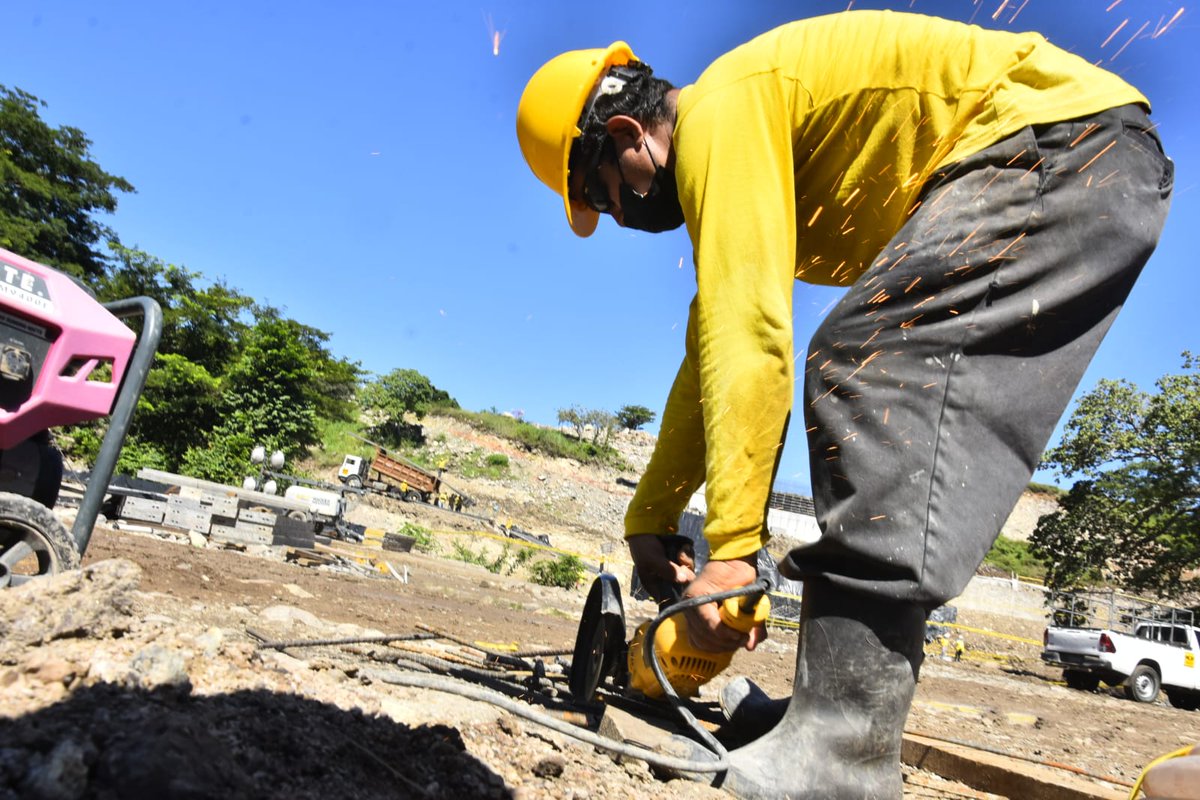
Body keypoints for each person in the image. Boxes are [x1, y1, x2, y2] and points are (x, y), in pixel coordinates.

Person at [517, 10, 1172, 798]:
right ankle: (825, 723)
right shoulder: (736, 130)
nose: (621, 219)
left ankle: (839, 749)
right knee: (873, 363)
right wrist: (651, 514)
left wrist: (729, 556)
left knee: (866, 371)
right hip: (1075, 155)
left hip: (1058, 147)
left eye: (603, 195)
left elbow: (752, 338)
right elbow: (710, 353)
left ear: (627, 135)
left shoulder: (725, 110)